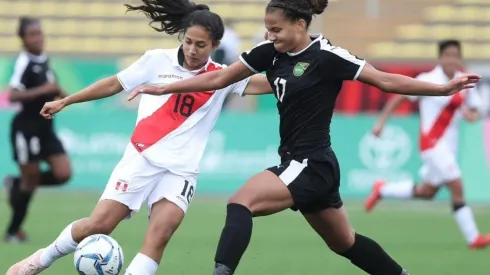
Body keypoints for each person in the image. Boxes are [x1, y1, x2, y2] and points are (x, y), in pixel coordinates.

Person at [126, 1, 480, 274]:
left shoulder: (328, 56)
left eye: (276, 29)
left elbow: (385, 80)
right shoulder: (270, 53)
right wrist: (165, 86)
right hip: (305, 164)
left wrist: (441, 88)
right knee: (346, 243)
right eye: (267, 29)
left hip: (309, 162)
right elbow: (219, 79)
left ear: (300, 23)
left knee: (239, 203)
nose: (270, 36)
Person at [6, 1, 271, 274]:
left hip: (180, 171)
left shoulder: (223, 77)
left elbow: (270, 84)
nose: (192, 50)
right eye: (188, 41)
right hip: (141, 160)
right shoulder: (157, 60)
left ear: (215, 44)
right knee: (99, 225)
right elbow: (114, 83)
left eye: (200, 45)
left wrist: (299, 67)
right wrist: (67, 100)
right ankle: (37, 261)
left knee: (160, 236)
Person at [365, 39, 490, 249]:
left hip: (450, 147)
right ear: (440, 57)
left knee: (427, 192)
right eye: (447, 55)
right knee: (456, 185)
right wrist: (381, 122)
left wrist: (472, 114)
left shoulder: (465, 82)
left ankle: (383, 189)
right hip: (432, 145)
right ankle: (473, 237)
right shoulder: (428, 79)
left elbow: (476, 109)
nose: (451, 59)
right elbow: (401, 97)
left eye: (455, 55)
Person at [4, 16, 71, 243]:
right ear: (23, 39)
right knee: (30, 181)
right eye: (32, 34)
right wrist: (44, 89)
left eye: (39, 33)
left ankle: (16, 183)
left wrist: (64, 96)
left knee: (63, 173)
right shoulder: (24, 61)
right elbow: (12, 94)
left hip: (46, 128)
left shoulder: (44, 59)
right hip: (26, 128)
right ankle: (13, 231)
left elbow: (51, 88)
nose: (38, 38)